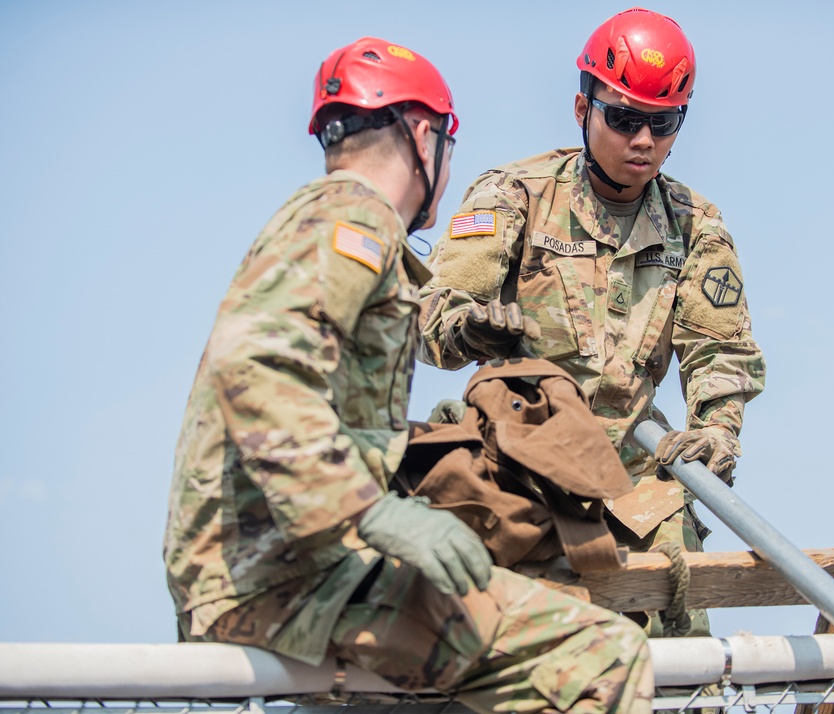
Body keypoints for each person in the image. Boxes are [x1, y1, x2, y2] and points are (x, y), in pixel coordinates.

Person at [163, 36, 653, 714]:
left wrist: (410, 443)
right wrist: (375, 513)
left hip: (287, 573)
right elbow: (259, 370)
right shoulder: (351, 218)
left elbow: (307, 395)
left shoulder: (329, 224)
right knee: (603, 655)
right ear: (425, 136)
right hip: (279, 581)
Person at [418, 8, 766, 637]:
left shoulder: (695, 225)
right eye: (625, 117)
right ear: (583, 110)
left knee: (681, 664)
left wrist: (717, 430)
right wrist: (470, 330)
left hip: (635, 485)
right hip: (520, 473)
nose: (643, 141)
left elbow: (721, 353)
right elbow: (433, 319)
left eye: (663, 124)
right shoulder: (513, 197)